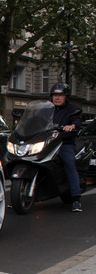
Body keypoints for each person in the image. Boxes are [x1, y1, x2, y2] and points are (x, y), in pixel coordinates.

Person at [50, 83, 82, 212]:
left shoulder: (72, 109)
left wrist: (72, 126)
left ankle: (76, 199)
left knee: (69, 164)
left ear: (66, 97)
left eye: (60, 95)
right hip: (47, 142)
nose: (57, 98)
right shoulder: (48, 109)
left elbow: (77, 121)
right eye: (54, 95)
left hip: (64, 142)